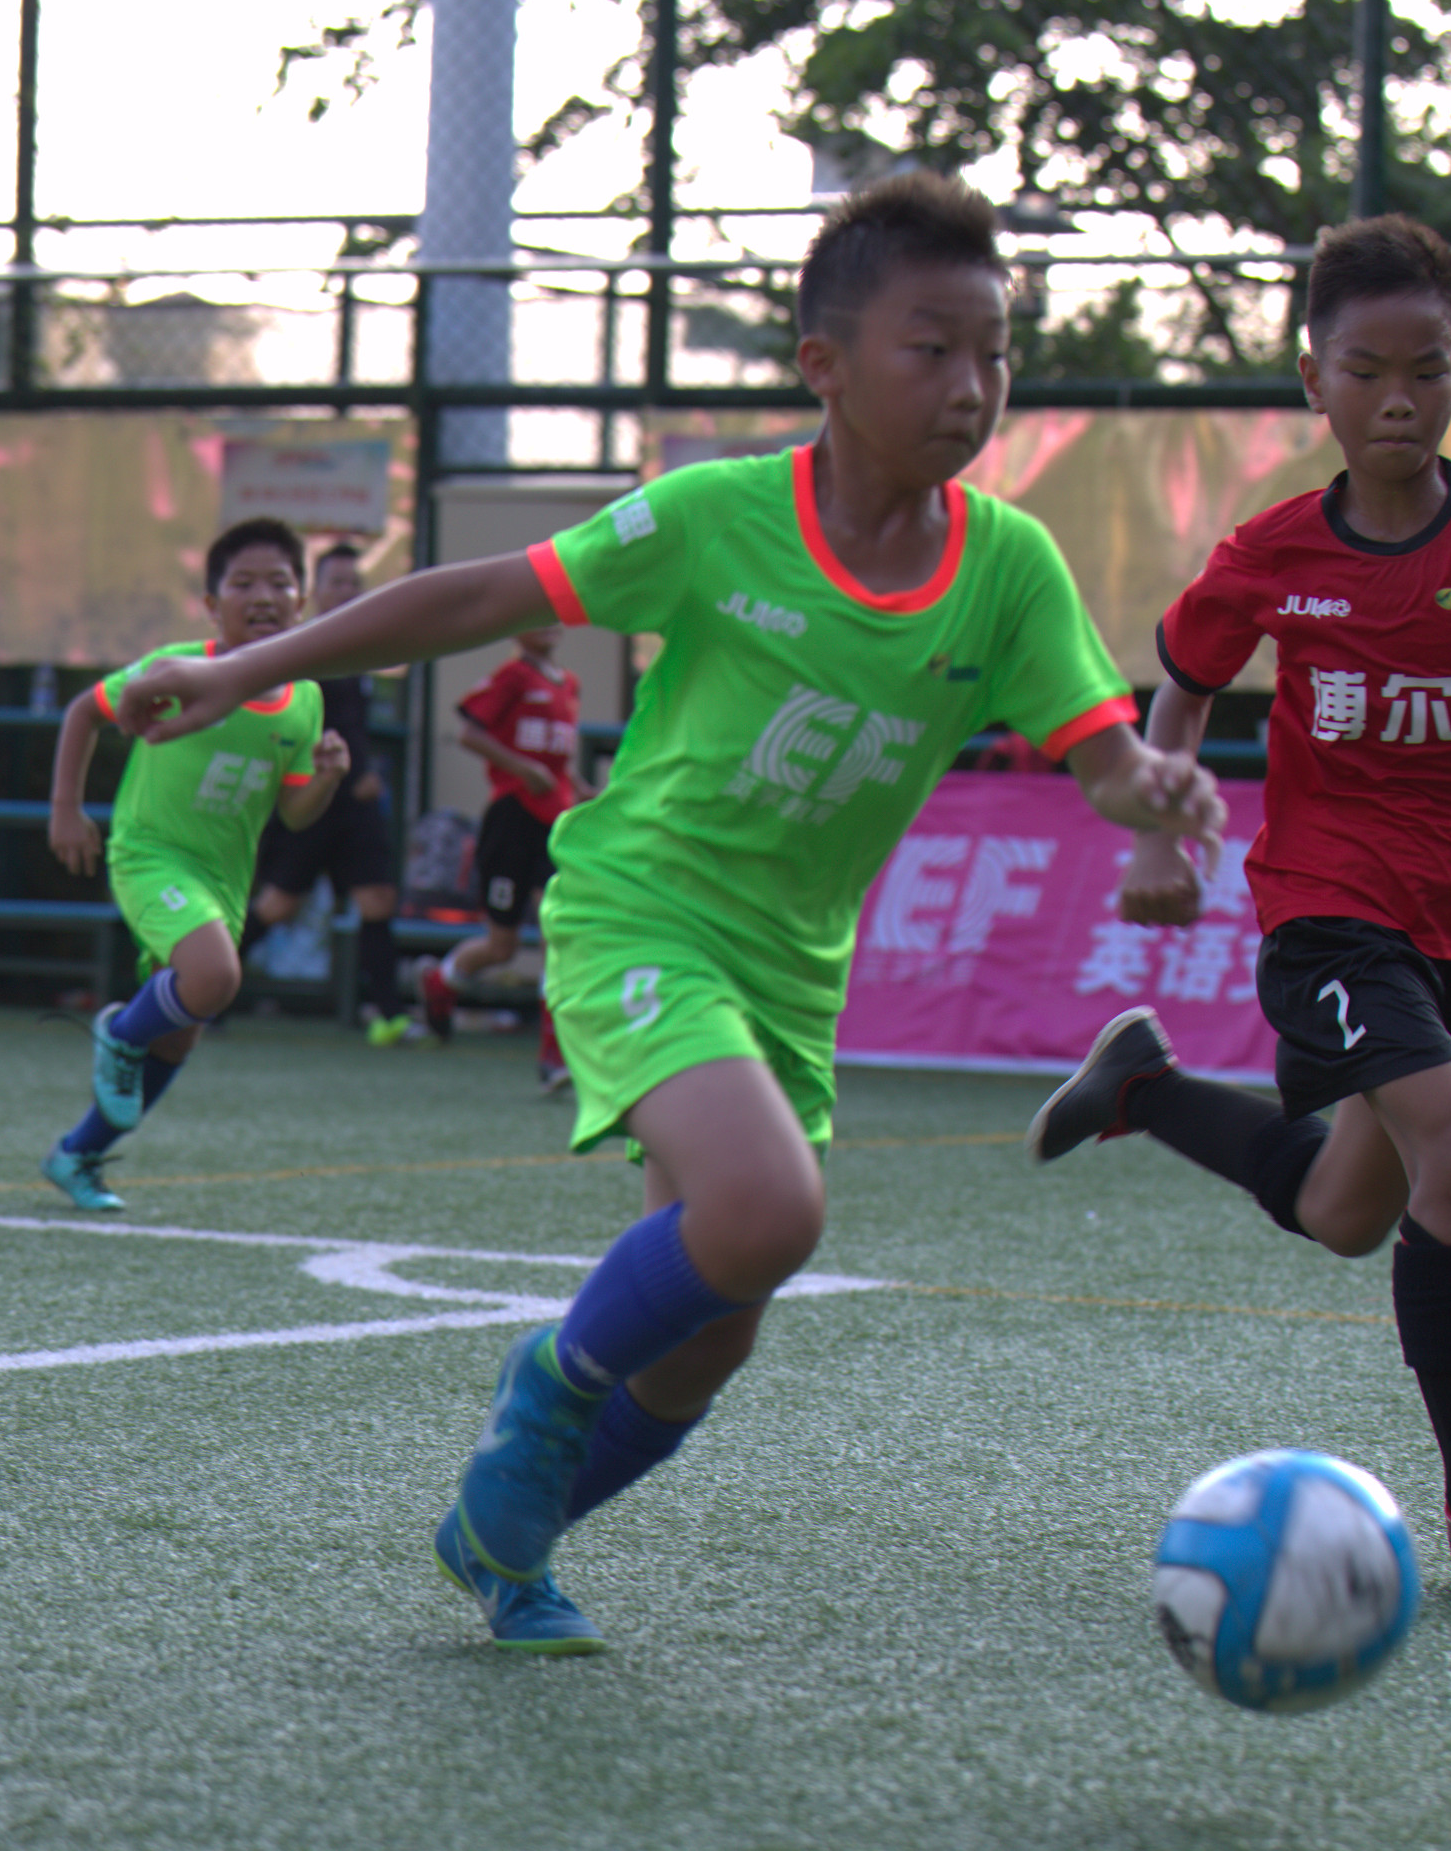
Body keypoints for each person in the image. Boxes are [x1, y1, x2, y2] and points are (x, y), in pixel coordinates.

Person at [114, 172, 1224, 1654]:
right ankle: (541, 1394)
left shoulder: (1008, 567)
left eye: (995, 354)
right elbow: (479, 596)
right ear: (824, 364)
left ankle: (506, 1541)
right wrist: (248, 669)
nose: (972, 386)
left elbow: (1103, 756)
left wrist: (1155, 789)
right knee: (768, 1208)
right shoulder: (719, 515)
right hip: (639, 909)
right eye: (931, 349)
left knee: (716, 1330)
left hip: (791, 973)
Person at [1024, 213, 1451, 1584]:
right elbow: (1187, 679)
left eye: (1424, 369)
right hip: (1327, 907)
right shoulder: (1273, 553)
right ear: (1314, 381)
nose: (1395, 399)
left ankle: (1143, 1090)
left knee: (1349, 1209)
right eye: (1364, 372)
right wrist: (1161, 831)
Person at [41, 518, 351, 1212]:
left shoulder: (304, 697)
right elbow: (84, 712)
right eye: (243, 584)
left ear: (302, 601)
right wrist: (65, 808)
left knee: (179, 1038)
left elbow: (295, 812)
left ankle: (76, 1155)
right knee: (214, 978)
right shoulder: (177, 668)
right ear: (212, 605)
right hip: (151, 856)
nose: (263, 596)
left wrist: (327, 778)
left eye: (279, 582)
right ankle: (119, 1032)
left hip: (222, 883)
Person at [251, 542, 417, 1047]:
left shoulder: (363, 649)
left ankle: (389, 1016)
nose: (346, 591)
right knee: (278, 905)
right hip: (313, 800)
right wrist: (339, 774)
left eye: (354, 584)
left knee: (377, 899)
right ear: (314, 592)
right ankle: (196, 991)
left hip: (356, 806)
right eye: (337, 582)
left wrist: (362, 774)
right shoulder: (302, 651)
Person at [416, 623, 583, 1091]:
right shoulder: (512, 676)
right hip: (511, 822)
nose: (547, 623)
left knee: (558, 931)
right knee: (501, 946)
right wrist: (521, 768)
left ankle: (554, 1054)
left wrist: (582, 789)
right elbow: (469, 733)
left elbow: (557, 762)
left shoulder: (569, 684)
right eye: (535, 614)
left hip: (554, 823)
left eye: (552, 613)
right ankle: (441, 982)